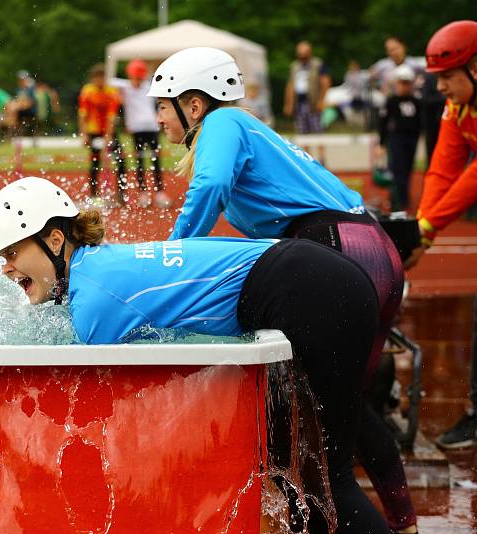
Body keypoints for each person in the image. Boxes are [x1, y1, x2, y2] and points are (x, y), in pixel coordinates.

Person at [0, 176, 385, 533]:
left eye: (12, 253)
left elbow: (91, 403)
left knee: (326, 476)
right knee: (292, 464)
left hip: (314, 289)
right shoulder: (94, 269)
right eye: (2, 258)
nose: (5, 269)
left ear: (54, 240)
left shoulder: (94, 302)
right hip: (316, 278)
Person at [147, 47, 417, 533]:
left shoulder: (222, 124)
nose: (158, 117)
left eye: (163, 104)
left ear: (193, 105)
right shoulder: (250, 129)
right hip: (366, 244)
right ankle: (404, 521)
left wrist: (171, 260)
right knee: (348, 406)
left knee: (322, 427)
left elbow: (208, 188)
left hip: (336, 246)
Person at [404, 21, 477, 449]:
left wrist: (428, 228)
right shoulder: (457, 109)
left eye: (448, 77)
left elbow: (471, 178)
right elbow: (442, 169)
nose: (441, 87)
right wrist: (420, 234)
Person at [111, 59, 170, 208]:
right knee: (140, 162)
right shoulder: (124, 86)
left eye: (140, 76)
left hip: (152, 127)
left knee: (156, 161)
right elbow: (108, 80)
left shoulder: (149, 87)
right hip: (136, 129)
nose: (137, 80)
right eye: (135, 76)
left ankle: (159, 193)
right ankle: (143, 193)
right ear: (130, 75)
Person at [78, 63, 126, 206]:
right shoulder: (87, 91)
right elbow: (82, 115)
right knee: (95, 162)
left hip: (109, 132)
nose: (99, 81)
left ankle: (121, 193)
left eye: (102, 78)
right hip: (93, 132)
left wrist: (108, 137)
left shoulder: (111, 92)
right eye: (96, 78)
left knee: (120, 161)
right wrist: (84, 134)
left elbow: (112, 116)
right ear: (92, 79)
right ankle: (93, 194)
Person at [376, 65, 421, 212]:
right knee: (397, 170)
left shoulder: (416, 101)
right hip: (396, 139)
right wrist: (382, 143)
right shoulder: (391, 101)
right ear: (396, 83)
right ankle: (398, 202)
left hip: (412, 139)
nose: (404, 86)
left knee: (408, 170)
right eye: (401, 82)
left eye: (407, 83)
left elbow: (421, 122)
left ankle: (404, 198)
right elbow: (383, 123)